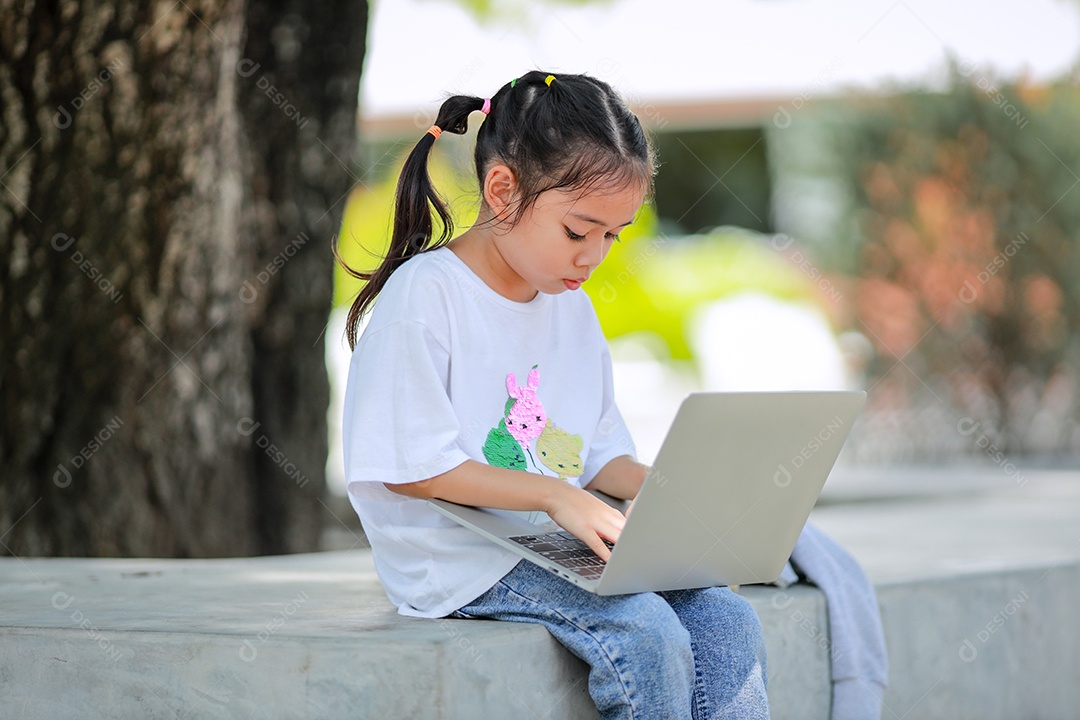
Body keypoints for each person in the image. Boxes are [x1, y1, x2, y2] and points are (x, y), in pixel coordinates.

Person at [338, 70, 769, 719]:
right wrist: (554, 495)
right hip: (460, 560)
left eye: (612, 235)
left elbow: (596, 460)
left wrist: (674, 490)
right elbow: (413, 469)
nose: (593, 255)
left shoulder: (571, 309)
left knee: (726, 618)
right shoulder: (427, 298)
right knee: (644, 629)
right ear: (503, 191)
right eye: (578, 231)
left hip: (550, 543)